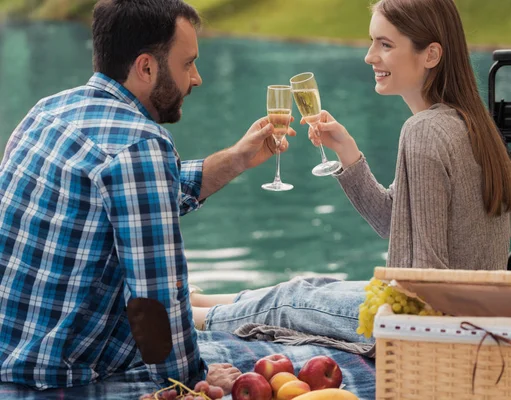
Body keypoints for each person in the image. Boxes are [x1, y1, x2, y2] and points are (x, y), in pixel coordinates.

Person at [0, 0, 295, 393]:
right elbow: (155, 300)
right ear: (146, 67)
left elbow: (141, 199)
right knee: (256, 355)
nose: (197, 78)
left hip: (12, 356)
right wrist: (190, 379)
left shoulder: (49, 111)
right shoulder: (140, 144)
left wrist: (237, 159)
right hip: (57, 379)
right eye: (188, 63)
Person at [191, 0, 511, 344]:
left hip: (428, 326)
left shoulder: (425, 131)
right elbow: (396, 224)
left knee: (291, 303)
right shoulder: (469, 123)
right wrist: (347, 152)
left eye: (385, 44)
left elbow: (426, 278)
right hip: (466, 316)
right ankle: (195, 301)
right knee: (306, 289)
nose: (370, 56)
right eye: (372, 41)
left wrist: (387, 318)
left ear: (431, 55)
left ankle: (178, 317)